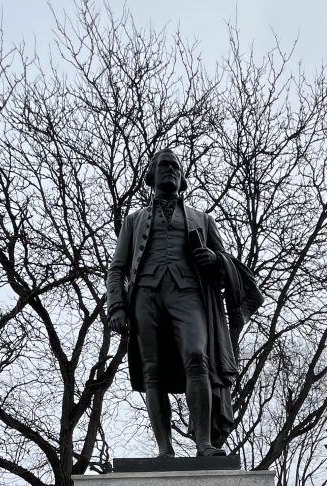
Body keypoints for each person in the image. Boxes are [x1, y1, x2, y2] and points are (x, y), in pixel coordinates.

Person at [106, 149, 262, 457]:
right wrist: (117, 306)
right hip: (146, 296)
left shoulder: (202, 220)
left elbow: (225, 262)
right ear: (151, 176)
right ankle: (165, 451)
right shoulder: (134, 221)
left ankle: (204, 444)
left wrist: (215, 258)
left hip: (188, 294)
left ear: (182, 177)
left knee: (196, 355)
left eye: (175, 166)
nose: (170, 170)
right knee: (153, 371)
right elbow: (117, 268)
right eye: (163, 165)